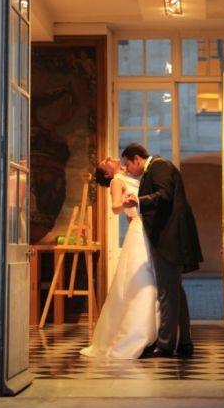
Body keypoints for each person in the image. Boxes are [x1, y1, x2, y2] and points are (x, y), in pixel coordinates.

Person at [121, 143, 203, 358]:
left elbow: (164, 195)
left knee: (167, 292)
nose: (127, 169)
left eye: (127, 164)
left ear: (137, 159)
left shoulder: (159, 166)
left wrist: (137, 200)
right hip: (170, 236)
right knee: (175, 291)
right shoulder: (157, 167)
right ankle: (184, 342)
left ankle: (166, 345)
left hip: (169, 237)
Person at [80, 157, 159, 359]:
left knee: (150, 277)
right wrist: (127, 204)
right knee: (142, 279)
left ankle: (154, 333)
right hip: (139, 229)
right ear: (107, 173)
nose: (110, 158)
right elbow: (115, 207)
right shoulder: (116, 181)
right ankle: (137, 333)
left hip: (145, 226)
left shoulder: (131, 176)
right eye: (106, 161)